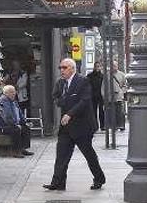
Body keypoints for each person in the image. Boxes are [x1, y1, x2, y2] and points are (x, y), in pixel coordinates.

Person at [45, 58, 106, 191]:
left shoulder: (82, 81)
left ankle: (99, 178)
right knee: (61, 154)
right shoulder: (61, 82)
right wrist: (61, 101)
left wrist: (70, 113)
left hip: (82, 125)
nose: (62, 70)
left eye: (64, 67)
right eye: (60, 67)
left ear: (72, 68)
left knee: (88, 154)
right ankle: (58, 182)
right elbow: (55, 96)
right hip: (66, 126)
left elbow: (84, 101)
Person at [0, 85, 34, 158]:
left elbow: (20, 114)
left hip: (12, 124)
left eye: (14, 91)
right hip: (1, 126)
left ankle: (22, 148)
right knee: (16, 130)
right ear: (5, 93)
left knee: (25, 128)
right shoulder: (3, 102)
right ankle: (15, 151)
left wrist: (25, 122)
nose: (14, 93)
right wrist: (15, 124)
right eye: (11, 92)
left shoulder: (14, 101)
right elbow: (7, 117)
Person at [86, 61, 105, 131]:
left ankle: (103, 126)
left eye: (99, 66)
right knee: (93, 112)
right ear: (94, 67)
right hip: (92, 96)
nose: (97, 68)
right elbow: (87, 85)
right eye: (96, 66)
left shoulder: (102, 76)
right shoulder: (90, 76)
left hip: (101, 96)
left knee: (102, 111)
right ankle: (95, 126)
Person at [110, 61, 127, 131]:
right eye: (113, 65)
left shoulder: (122, 75)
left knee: (120, 111)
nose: (114, 67)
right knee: (113, 112)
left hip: (119, 96)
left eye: (115, 65)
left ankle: (121, 125)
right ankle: (115, 126)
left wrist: (122, 91)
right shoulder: (108, 75)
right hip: (111, 96)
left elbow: (125, 85)